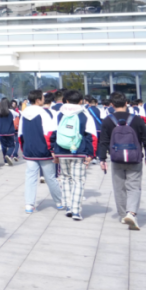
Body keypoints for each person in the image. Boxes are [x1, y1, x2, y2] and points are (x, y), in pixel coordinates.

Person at [98, 92, 146, 230]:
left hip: (116, 158)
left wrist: (102, 159)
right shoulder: (137, 119)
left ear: (111, 104)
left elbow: (103, 141)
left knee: (119, 187)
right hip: (135, 158)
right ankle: (131, 213)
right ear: (126, 103)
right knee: (134, 186)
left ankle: (123, 215)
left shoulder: (108, 120)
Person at [51, 90, 97, 221]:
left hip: (62, 151)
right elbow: (91, 135)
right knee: (78, 180)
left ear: (66, 100)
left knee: (65, 178)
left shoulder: (59, 114)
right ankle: (76, 211)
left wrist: (53, 151)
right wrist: (91, 154)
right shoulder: (85, 114)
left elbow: (52, 133)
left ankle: (69, 207)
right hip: (79, 151)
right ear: (81, 101)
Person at [18, 89, 65, 214]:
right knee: (50, 177)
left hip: (29, 151)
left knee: (30, 178)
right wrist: (52, 149)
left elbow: (20, 134)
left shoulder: (24, 113)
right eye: (43, 98)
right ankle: (59, 202)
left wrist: (24, 149)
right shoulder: (44, 113)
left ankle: (29, 205)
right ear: (38, 100)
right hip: (44, 151)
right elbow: (49, 133)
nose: (44, 99)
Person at [0, 98, 19, 165]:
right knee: (12, 146)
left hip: (1, 132)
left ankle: (5, 161)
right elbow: (17, 115)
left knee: (3, 146)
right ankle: (8, 155)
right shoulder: (11, 111)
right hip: (9, 132)